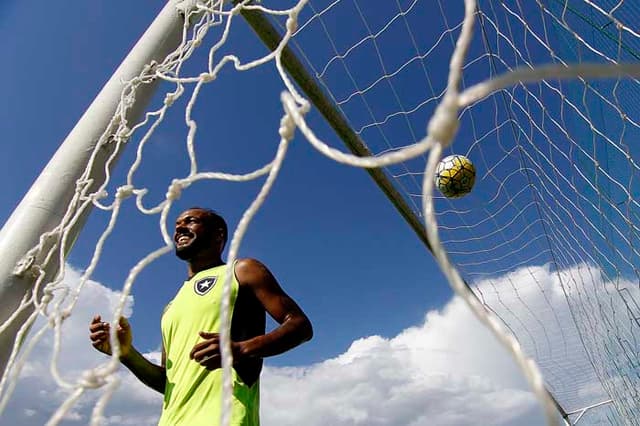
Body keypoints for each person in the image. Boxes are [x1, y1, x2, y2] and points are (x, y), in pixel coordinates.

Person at [89, 207, 313, 425]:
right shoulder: (171, 308)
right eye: (177, 225)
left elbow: (300, 326)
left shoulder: (242, 270)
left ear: (218, 234)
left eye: (190, 221)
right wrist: (127, 353)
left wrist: (241, 349)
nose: (180, 228)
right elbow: (168, 382)